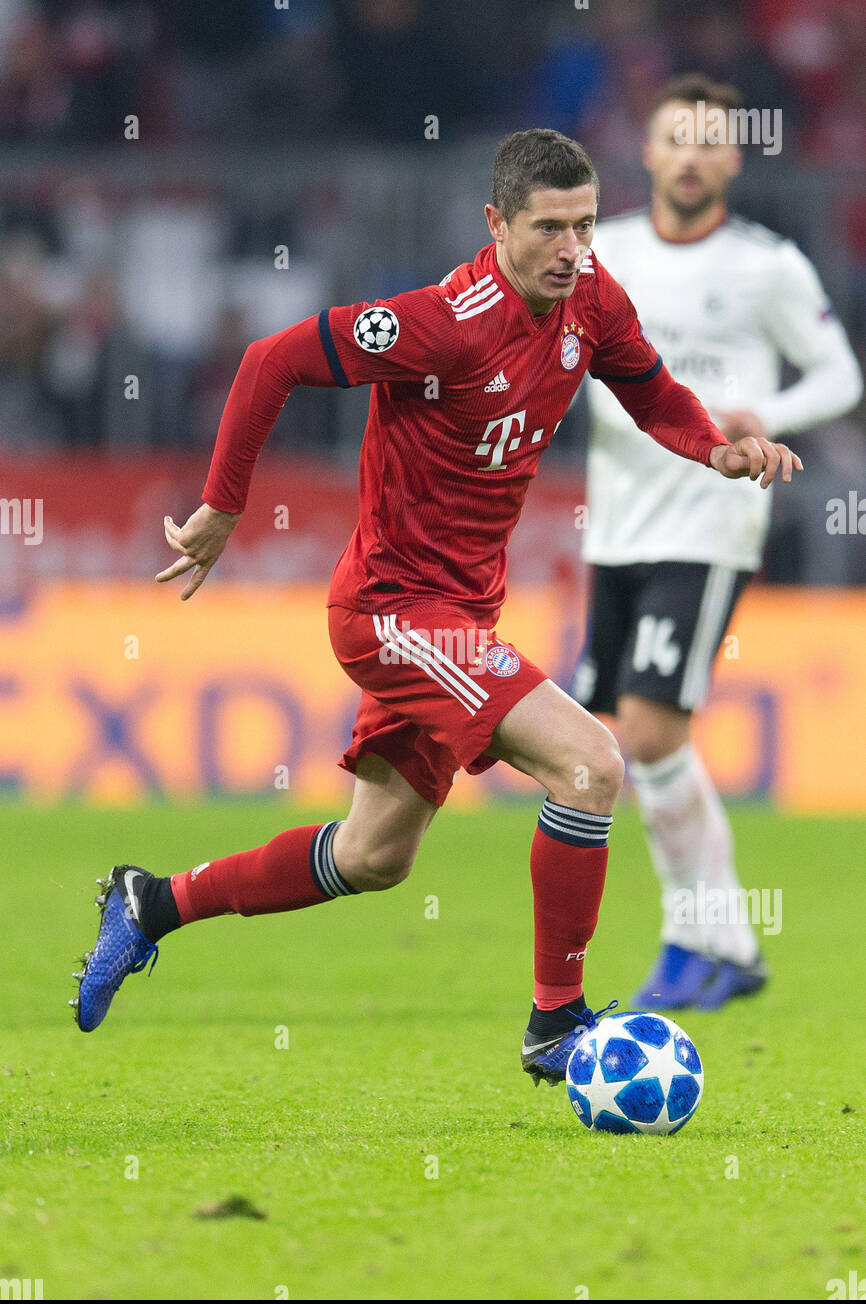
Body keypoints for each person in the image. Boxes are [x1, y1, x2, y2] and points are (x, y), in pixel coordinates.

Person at [71, 128, 802, 1084]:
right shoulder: (440, 322)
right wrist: (222, 507)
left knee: (374, 857)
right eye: (549, 228)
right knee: (590, 765)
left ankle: (152, 902)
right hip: (392, 613)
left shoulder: (591, 299)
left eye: (585, 225)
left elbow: (652, 391)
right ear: (496, 222)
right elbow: (270, 360)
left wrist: (715, 448)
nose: (572, 249)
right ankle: (556, 1023)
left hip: (459, 617)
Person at [574, 76, 862, 1011]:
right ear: (648, 154)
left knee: (651, 730)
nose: (692, 156)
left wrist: (762, 413)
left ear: (734, 158)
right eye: (675, 140)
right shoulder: (603, 253)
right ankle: (724, 943)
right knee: (631, 738)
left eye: (710, 142)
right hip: (616, 522)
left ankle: (698, 938)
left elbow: (839, 375)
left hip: (709, 520)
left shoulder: (766, 265)